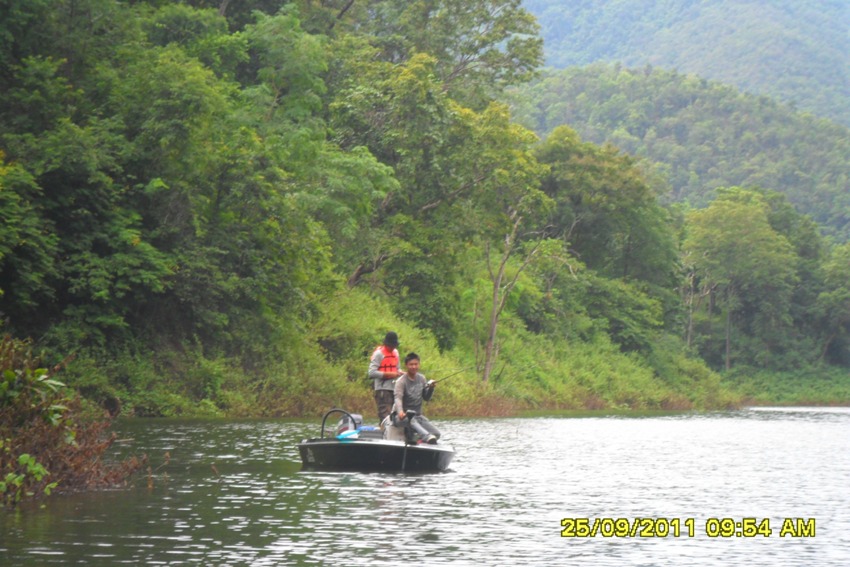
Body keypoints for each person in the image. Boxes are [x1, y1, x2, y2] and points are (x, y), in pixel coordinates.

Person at [393, 352, 441, 444]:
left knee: (436, 434)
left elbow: (426, 398)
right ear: (406, 365)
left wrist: (431, 388)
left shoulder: (422, 378)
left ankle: (418, 440)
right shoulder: (401, 381)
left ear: (419, 364)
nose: (414, 367)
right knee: (412, 421)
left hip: (418, 416)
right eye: (411, 364)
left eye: (416, 364)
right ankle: (426, 436)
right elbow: (398, 398)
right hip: (402, 417)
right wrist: (400, 412)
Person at [368, 331, 401, 423]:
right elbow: (371, 373)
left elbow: (398, 369)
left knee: (396, 415)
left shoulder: (396, 353)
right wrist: (390, 374)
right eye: (391, 345)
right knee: (385, 417)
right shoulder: (378, 354)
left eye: (394, 345)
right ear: (386, 344)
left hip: (394, 389)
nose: (392, 347)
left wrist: (400, 373)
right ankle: (384, 434)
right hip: (382, 390)